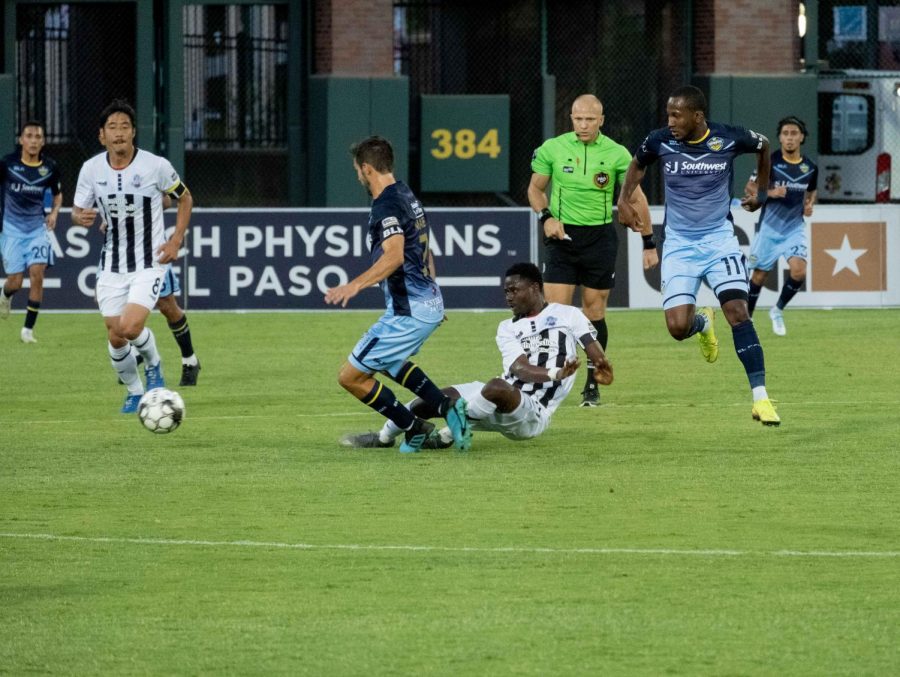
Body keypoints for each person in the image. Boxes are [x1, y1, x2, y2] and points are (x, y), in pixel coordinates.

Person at [617, 85, 781, 426]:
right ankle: (703, 323)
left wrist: (762, 190)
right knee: (677, 328)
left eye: (677, 115)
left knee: (738, 312)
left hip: (720, 240)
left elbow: (764, 144)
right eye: (668, 114)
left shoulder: (728, 138)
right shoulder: (659, 140)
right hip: (678, 245)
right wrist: (624, 199)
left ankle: (761, 398)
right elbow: (637, 165)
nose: (671, 121)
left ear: (698, 116)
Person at [341, 262, 614, 449]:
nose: (508, 297)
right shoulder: (507, 327)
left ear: (535, 287)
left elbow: (591, 345)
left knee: (496, 386)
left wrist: (601, 363)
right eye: (505, 291)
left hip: (531, 412)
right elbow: (519, 369)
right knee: (429, 401)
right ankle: (384, 437)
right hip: (499, 395)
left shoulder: (568, 314)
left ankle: (447, 437)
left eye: (514, 290)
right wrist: (557, 373)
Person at [324, 135, 471, 453]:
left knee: (350, 377)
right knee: (392, 362)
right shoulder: (407, 194)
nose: (357, 176)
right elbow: (424, 248)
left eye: (356, 170)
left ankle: (414, 427)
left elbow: (395, 256)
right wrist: (433, 295)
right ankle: (446, 407)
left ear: (366, 169)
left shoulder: (385, 205)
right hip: (426, 303)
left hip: (409, 310)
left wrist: (355, 285)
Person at [528, 94, 657, 407]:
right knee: (555, 314)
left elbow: (636, 198)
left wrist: (649, 242)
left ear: (601, 120)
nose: (583, 125)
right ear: (571, 118)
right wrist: (546, 218)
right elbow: (535, 189)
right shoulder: (553, 148)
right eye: (578, 119)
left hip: (599, 238)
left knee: (594, 312)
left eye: (589, 119)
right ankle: (551, 382)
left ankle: (591, 384)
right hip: (561, 238)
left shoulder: (616, 153)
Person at [71, 99, 193, 413]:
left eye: (125, 126)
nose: (119, 132)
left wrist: (175, 240)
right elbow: (79, 210)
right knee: (115, 335)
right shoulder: (91, 169)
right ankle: (136, 392)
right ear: (102, 136)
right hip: (111, 262)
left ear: (134, 132)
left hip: (149, 262)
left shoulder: (156, 165)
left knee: (130, 327)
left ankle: (153, 364)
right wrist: (79, 218)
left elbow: (185, 198)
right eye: (112, 127)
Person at [744, 115, 818, 337]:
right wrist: (772, 192)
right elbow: (750, 187)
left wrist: (809, 205)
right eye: (785, 133)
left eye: (794, 133)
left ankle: (777, 310)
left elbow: (811, 191)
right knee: (758, 277)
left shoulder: (810, 167)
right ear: (779, 138)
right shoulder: (770, 161)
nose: (789, 138)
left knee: (799, 271)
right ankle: (746, 322)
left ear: (802, 137)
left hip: (794, 228)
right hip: (770, 227)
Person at [0, 121, 63, 342]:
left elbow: (57, 195)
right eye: (29, 136)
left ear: (43, 141)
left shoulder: (50, 167)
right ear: (21, 140)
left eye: (38, 136)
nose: (34, 140)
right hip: (11, 230)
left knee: (37, 273)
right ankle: (6, 294)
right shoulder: (7, 164)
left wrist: (54, 213)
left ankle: (27, 330)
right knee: (15, 282)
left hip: (37, 228)